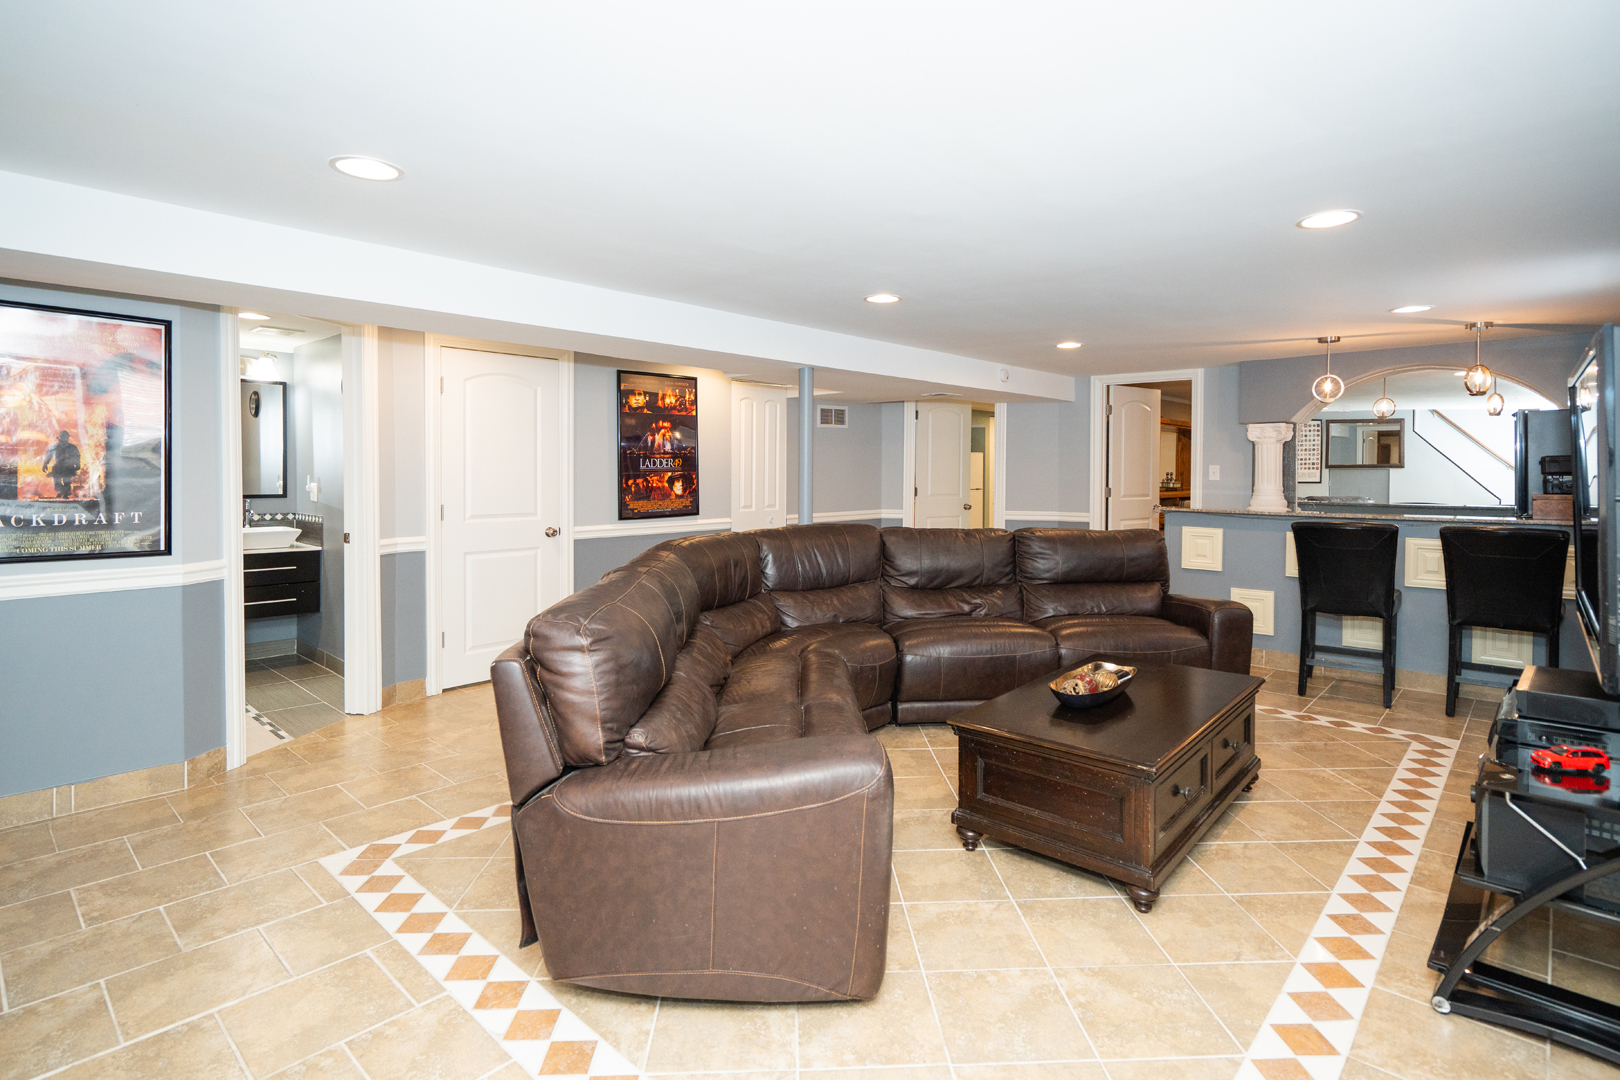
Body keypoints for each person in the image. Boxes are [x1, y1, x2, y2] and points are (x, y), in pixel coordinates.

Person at [42, 430, 81, 499]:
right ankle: (63, 492)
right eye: (64, 437)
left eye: (66, 437)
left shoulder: (72, 447)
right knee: (58, 484)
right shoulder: (55, 447)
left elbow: (77, 457)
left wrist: (77, 464)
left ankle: (65, 493)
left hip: (69, 468)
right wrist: (45, 464)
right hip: (58, 468)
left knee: (67, 482)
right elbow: (49, 456)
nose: (65, 439)